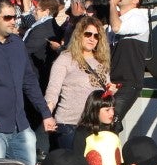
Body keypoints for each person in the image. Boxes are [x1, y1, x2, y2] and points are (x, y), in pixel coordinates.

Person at [0, 0, 56, 165]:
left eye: (14, 17)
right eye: (7, 17)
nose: (12, 21)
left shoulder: (17, 43)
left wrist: (45, 113)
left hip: (20, 125)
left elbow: (29, 81)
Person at [44, 15, 113, 153]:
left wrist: (111, 90)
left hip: (95, 126)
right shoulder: (65, 59)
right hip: (70, 125)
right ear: (79, 34)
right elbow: (52, 91)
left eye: (96, 35)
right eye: (88, 34)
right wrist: (47, 115)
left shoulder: (101, 61)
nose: (92, 38)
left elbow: (103, 91)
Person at [72, 88, 124, 165]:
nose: (112, 113)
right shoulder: (83, 132)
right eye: (107, 110)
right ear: (95, 111)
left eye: (113, 109)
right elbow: (77, 161)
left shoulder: (114, 128)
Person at [108, 0, 148, 122]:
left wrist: (113, 4)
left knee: (112, 119)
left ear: (135, 1)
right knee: (103, 120)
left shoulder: (138, 18)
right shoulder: (118, 18)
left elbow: (117, 28)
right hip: (112, 81)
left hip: (128, 82)